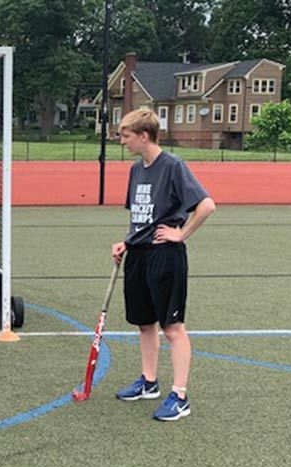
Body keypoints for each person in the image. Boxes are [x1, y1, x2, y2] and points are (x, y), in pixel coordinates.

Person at [112, 109, 216, 421]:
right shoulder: (135, 170)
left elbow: (207, 205)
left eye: (125, 135)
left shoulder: (172, 165)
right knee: (145, 323)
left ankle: (180, 396)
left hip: (165, 256)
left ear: (144, 136)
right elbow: (142, 218)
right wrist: (126, 242)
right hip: (139, 255)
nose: (121, 141)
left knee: (172, 328)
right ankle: (148, 382)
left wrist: (180, 233)